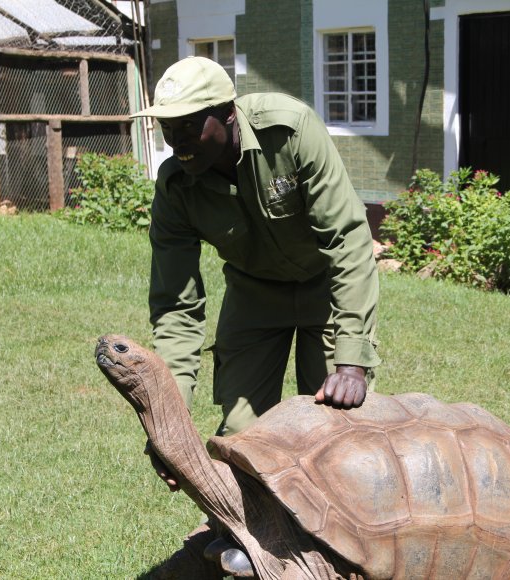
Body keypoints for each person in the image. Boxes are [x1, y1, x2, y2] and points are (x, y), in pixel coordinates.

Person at [131, 55, 381, 578]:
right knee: (241, 437)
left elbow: (350, 243)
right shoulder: (177, 185)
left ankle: (343, 561)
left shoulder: (288, 132)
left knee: (333, 437)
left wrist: (351, 359)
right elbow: (177, 305)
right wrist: (168, 423)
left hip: (324, 289)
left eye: (186, 127)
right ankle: (245, 556)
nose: (176, 141)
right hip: (254, 295)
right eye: (166, 128)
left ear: (226, 115)